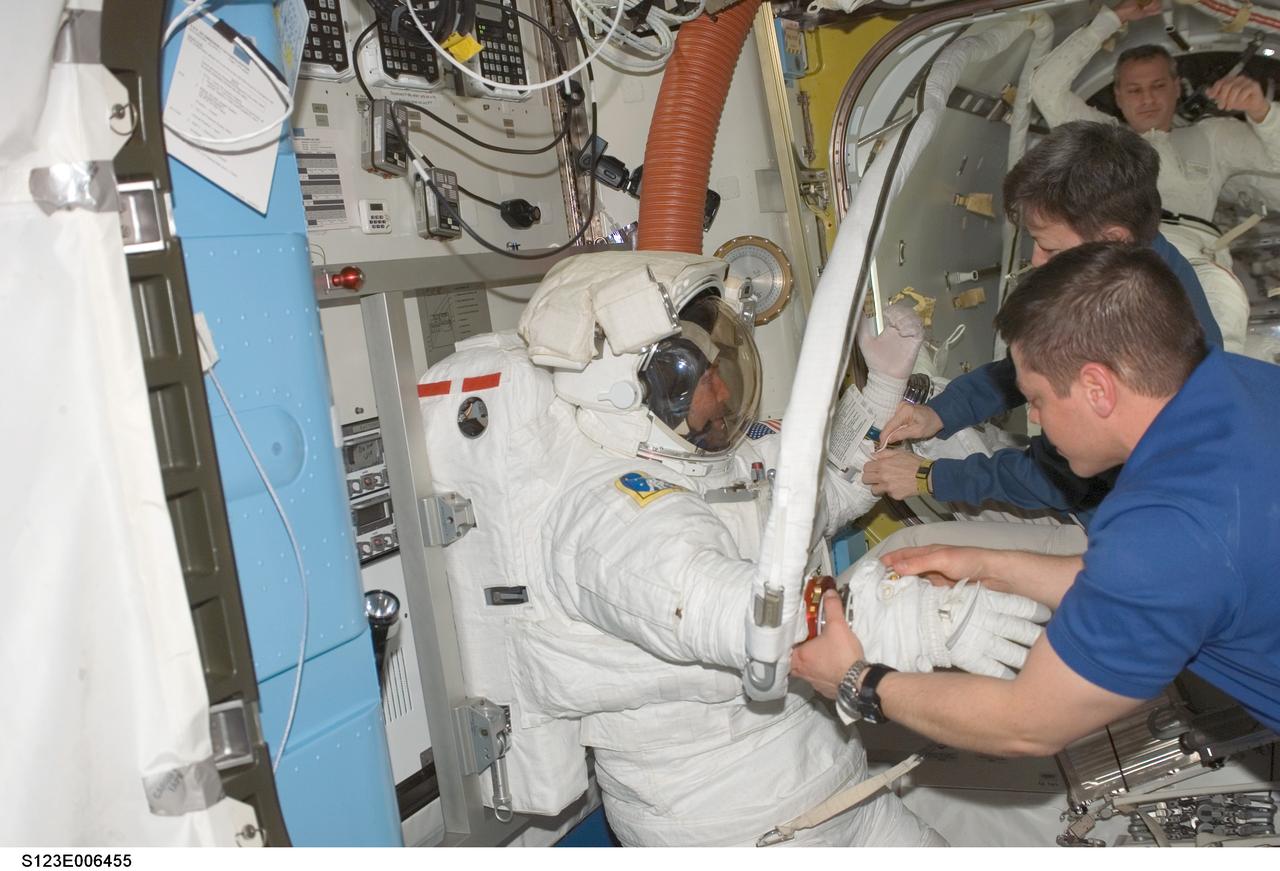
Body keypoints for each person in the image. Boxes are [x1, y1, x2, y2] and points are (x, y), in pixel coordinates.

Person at [421, 251, 1050, 846]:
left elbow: (823, 495)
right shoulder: (604, 516)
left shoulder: (706, 456)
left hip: (830, 783)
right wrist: (895, 618)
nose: (722, 390)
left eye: (719, 365)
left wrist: (881, 387)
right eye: (699, 375)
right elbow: (726, 609)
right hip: (731, 821)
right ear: (634, 388)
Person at [793, 242, 1280, 755]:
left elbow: (1026, 723)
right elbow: (1169, 586)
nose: (1038, 423)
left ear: (1097, 388)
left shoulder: (1162, 531)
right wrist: (984, 563)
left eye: (1040, 400)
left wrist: (855, 680)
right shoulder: (1240, 382)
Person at [862, 121, 1222, 533]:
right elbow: (1038, 364)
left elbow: (1059, 474)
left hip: (1126, 522)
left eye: (1051, 247)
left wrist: (929, 477)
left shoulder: (1147, 335)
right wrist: (939, 413)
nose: (1036, 260)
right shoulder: (1127, 267)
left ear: (1114, 238)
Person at [1029, 0, 1280, 354]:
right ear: (1118, 96)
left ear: (1177, 86)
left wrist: (1262, 111)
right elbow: (1044, 86)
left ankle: (1218, 395)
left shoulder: (1212, 138)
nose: (1147, 99)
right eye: (1134, 90)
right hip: (1123, 255)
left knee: (1220, 329)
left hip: (1197, 259)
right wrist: (1110, 19)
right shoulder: (1104, 140)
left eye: (1158, 85)